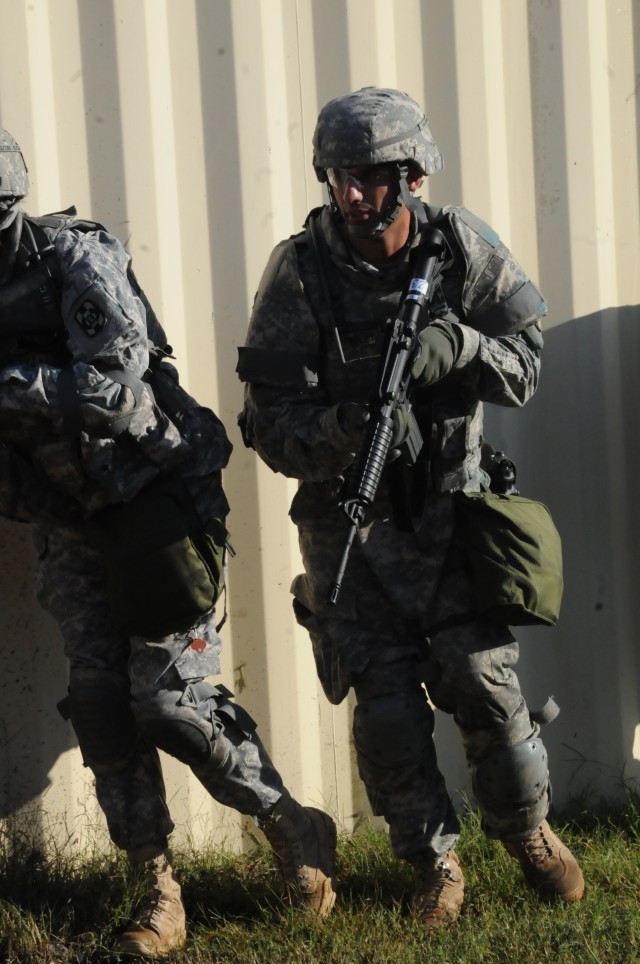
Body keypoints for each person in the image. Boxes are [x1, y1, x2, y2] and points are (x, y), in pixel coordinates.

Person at [237, 87, 584, 926]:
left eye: (370, 176)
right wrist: (351, 429)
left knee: (485, 691)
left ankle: (527, 831)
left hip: (451, 517)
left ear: (412, 175)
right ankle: (435, 866)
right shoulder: (301, 268)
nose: (351, 194)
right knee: (387, 712)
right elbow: (264, 420)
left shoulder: (460, 245)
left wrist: (459, 346)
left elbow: (528, 365)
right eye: (337, 176)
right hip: (347, 527)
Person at [0, 128, 336, 959]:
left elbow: (114, 389)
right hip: (69, 513)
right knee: (103, 704)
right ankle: (158, 891)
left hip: (155, 496)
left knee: (166, 700)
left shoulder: (72, 259)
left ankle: (291, 825)